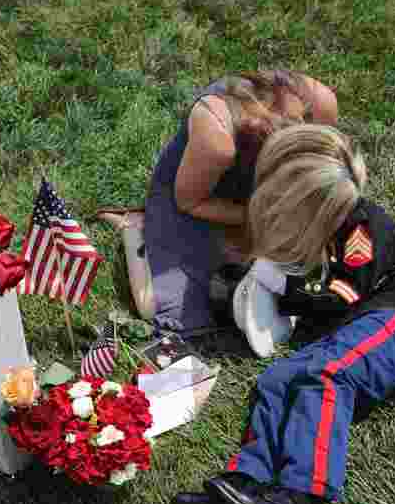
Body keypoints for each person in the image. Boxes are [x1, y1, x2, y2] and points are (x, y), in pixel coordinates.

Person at [169, 124, 395, 504]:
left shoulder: (361, 225)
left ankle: (296, 502)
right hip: (361, 323)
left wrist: (286, 295)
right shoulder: (331, 226)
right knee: (278, 379)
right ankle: (249, 481)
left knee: (326, 377)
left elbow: (345, 294)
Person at [97, 70, 340, 333]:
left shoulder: (320, 102)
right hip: (197, 196)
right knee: (163, 307)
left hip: (256, 197)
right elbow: (190, 202)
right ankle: (134, 225)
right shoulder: (218, 140)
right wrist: (262, 217)